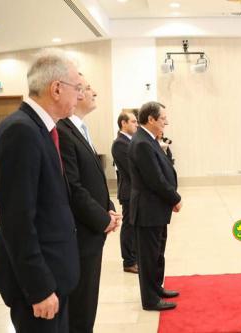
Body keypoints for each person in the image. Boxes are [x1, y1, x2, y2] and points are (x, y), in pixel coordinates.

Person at [0, 48, 84, 332]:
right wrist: (39, 287)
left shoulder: (40, 129)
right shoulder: (22, 132)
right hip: (39, 285)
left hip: (54, 274)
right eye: (76, 87)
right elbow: (17, 221)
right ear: (56, 88)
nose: (79, 95)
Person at [57, 74, 120, 333]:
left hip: (92, 228)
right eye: (89, 88)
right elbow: (73, 187)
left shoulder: (80, 128)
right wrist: (103, 218)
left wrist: (109, 206)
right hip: (80, 232)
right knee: (81, 303)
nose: (94, 93)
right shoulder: (62, 131)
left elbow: (93, 176)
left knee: (88, 298)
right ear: (77, 93)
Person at [128, 102, 182, 311]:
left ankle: (157, 288)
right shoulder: (142, 143)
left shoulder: (149, 140)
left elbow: (165, 167)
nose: (166, 122)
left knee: (158, 252)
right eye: (162, 119)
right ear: (150, 119)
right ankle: (150, 299)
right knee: (149, 256)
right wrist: (174, 198)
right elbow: (155, 179)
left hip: (156, 208)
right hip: (148, 209)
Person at [111, 110, 139, 274]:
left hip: (134, 191)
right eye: (133, 121)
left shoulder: (130, 141)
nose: (136, 124)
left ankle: (134, 257)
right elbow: (131, 169)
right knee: (129, 226)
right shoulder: (120, 143)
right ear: (124, 123)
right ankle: (128, 261)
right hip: (129, 192)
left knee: (134, 226)